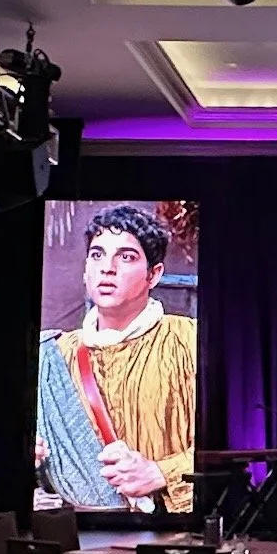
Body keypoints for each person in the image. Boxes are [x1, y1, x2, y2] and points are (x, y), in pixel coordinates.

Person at [34, 204, 197, 512]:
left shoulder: (188, 341)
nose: (107, 268)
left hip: (172, 531)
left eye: (126, 257)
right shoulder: (54, 356)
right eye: (97, 255)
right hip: (80, 533)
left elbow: (225, 446)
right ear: (85, 270)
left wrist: (161, 472)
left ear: (154, 274)